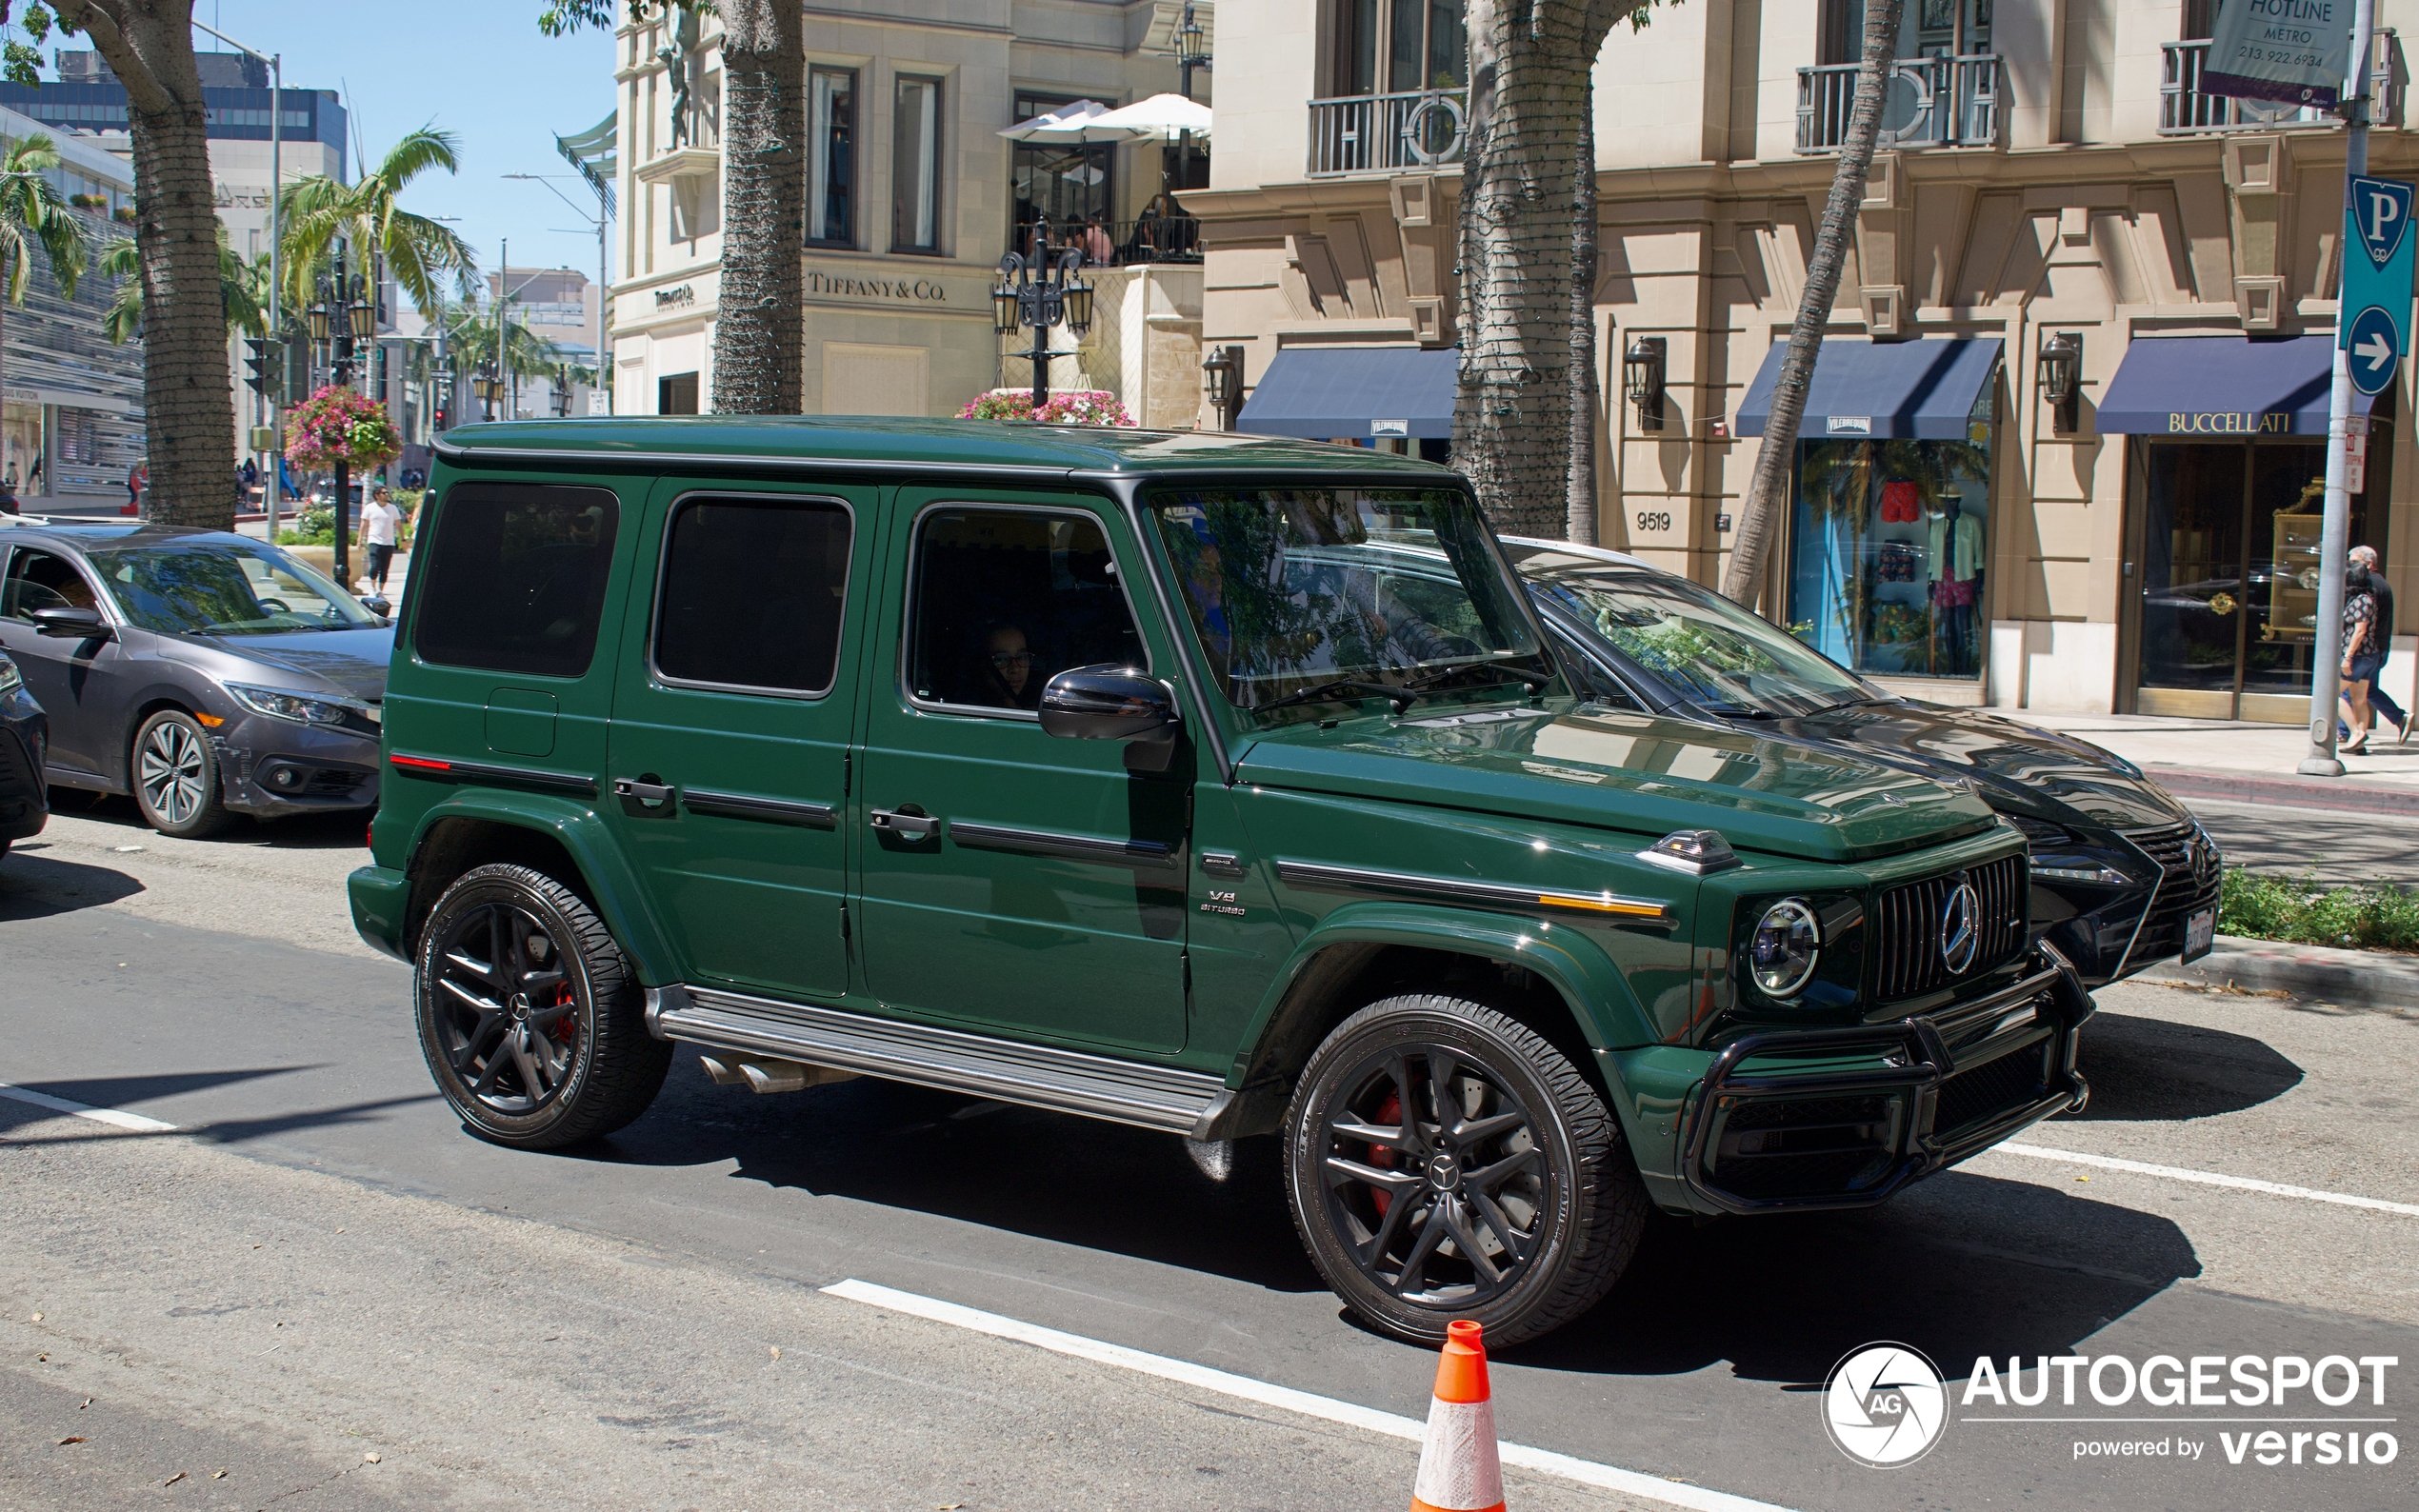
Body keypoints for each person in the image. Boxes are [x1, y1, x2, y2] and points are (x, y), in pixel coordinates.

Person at [2349, 545, 2409, 744]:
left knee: (2349, 688)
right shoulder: (2381, 584)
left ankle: (2349, 732)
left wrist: (2351, 652)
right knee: (2364, 690)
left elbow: (2363, 625)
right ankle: (2398, 717)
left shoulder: (2370, 587)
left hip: (2369, 648)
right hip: (2377, 647)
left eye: (2354, 562)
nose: (2350, 567)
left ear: (2369, 563)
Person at [2339, 564, 2380, 754]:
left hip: (2358, 656)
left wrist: (2348, 657)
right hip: (2367, 655)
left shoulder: (2362, 601)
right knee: (2359, 700)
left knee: (2330, 696)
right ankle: (2359, 743)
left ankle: (2356, 733)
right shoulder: (2365, 599)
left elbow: (2360, 630)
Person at [976, 624, 1038, 709]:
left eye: (1022, 657)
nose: (1015, 668)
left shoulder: (1038, 708)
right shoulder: (966, 710)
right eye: (1001, 659)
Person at [361, 486, 403, 595]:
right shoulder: (370, 508)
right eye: (384, 493)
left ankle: (380, 591)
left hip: (388, 542)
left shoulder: (392, 508)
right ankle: (372, 587)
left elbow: (398, 524)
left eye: (387, 493)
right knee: (375, 565)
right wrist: (359, 539)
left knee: (385, 568)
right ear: (377, 495)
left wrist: (403, 539)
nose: (386, 495)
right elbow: (364, 524)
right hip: (374, 540)